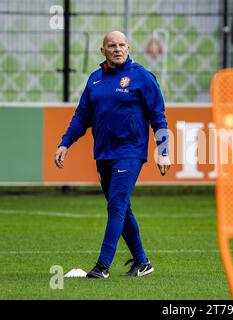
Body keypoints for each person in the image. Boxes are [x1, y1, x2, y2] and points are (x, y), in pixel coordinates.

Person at [54, 30, 171, 278]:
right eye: (112, 45)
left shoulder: (142, 77)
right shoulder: (95, 80)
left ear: (128, 48)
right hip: (103, 154)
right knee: (122, 207)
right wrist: (65, 143)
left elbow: (158, 116)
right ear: (103, 50)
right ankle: (142, 262)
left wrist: (163, 151)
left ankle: (102, 265)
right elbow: (81, 116)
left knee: (116, 205)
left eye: (122, 45)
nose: (118, 49)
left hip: (130, 152)